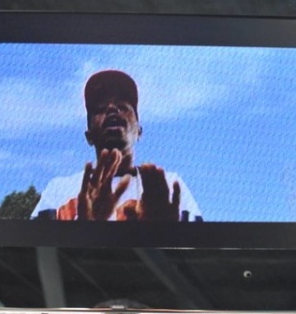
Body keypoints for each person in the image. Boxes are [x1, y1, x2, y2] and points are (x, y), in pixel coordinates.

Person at [31, 70, 201, 221]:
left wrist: (164, 233)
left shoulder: (168, 187)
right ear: (89, 136)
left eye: (123, 106)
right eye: (100, 109)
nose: (112, 109)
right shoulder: (59, 191)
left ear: (139, 131)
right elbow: (37, 246)